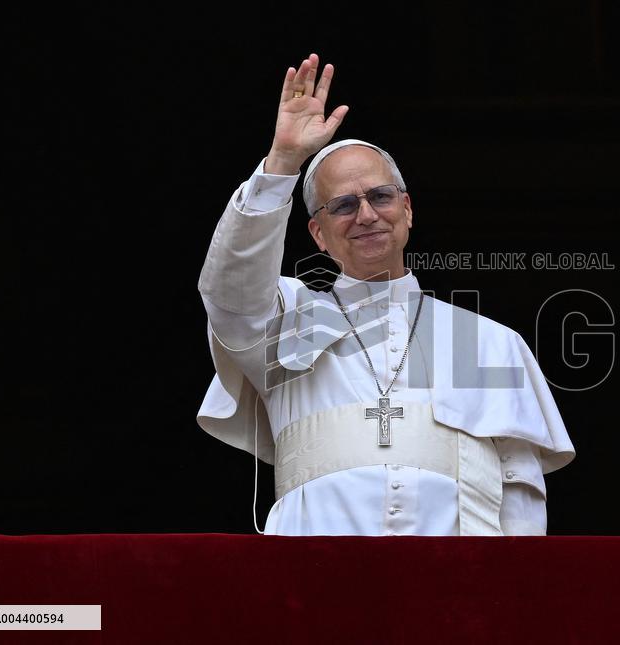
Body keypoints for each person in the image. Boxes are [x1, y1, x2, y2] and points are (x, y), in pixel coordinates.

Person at [196, 53, 575, 536]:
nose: (367, 215)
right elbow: (230, 292)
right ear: (317, 234)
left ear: (407, 209)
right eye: (343, 205)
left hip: (453, 576)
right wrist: (282, 164)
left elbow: (520, 492)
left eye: (380, 196)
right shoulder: (284, 321)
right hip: (312, 571)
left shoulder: (490, 341)